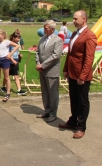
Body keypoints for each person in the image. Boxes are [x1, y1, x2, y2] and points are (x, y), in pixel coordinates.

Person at [59, 10, 97, 139]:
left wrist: (83, 75)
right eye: (73, 19)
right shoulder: (75, 33)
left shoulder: (90, 35)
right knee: (74, 99)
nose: (73, 21)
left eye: (76, 19)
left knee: (82, 101)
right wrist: (65, 69)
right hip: (72, 72)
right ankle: (73, 121)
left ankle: (81, 127)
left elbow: (89, 58)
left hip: (82, 75)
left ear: (84, 19)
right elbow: (70, 54)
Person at [35, 20, 63, 123]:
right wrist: (38, 63)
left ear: (52, 29)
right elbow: (37, 52)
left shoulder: (58, 40)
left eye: (46, 28)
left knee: (53, 93)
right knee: (45, 92)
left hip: (51, 70)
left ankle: (53, 114)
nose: (44, 30)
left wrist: (43, 65)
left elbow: (56, 55)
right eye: (44, 27)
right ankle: (47, 110)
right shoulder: (42, 39)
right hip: (42, 70)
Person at [0, 29, 19, 102]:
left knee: (6, 77)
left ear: (3, 35)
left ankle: (8, 93)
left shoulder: (7, 42)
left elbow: (17, 46)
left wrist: (10, 54)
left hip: (5, 60)